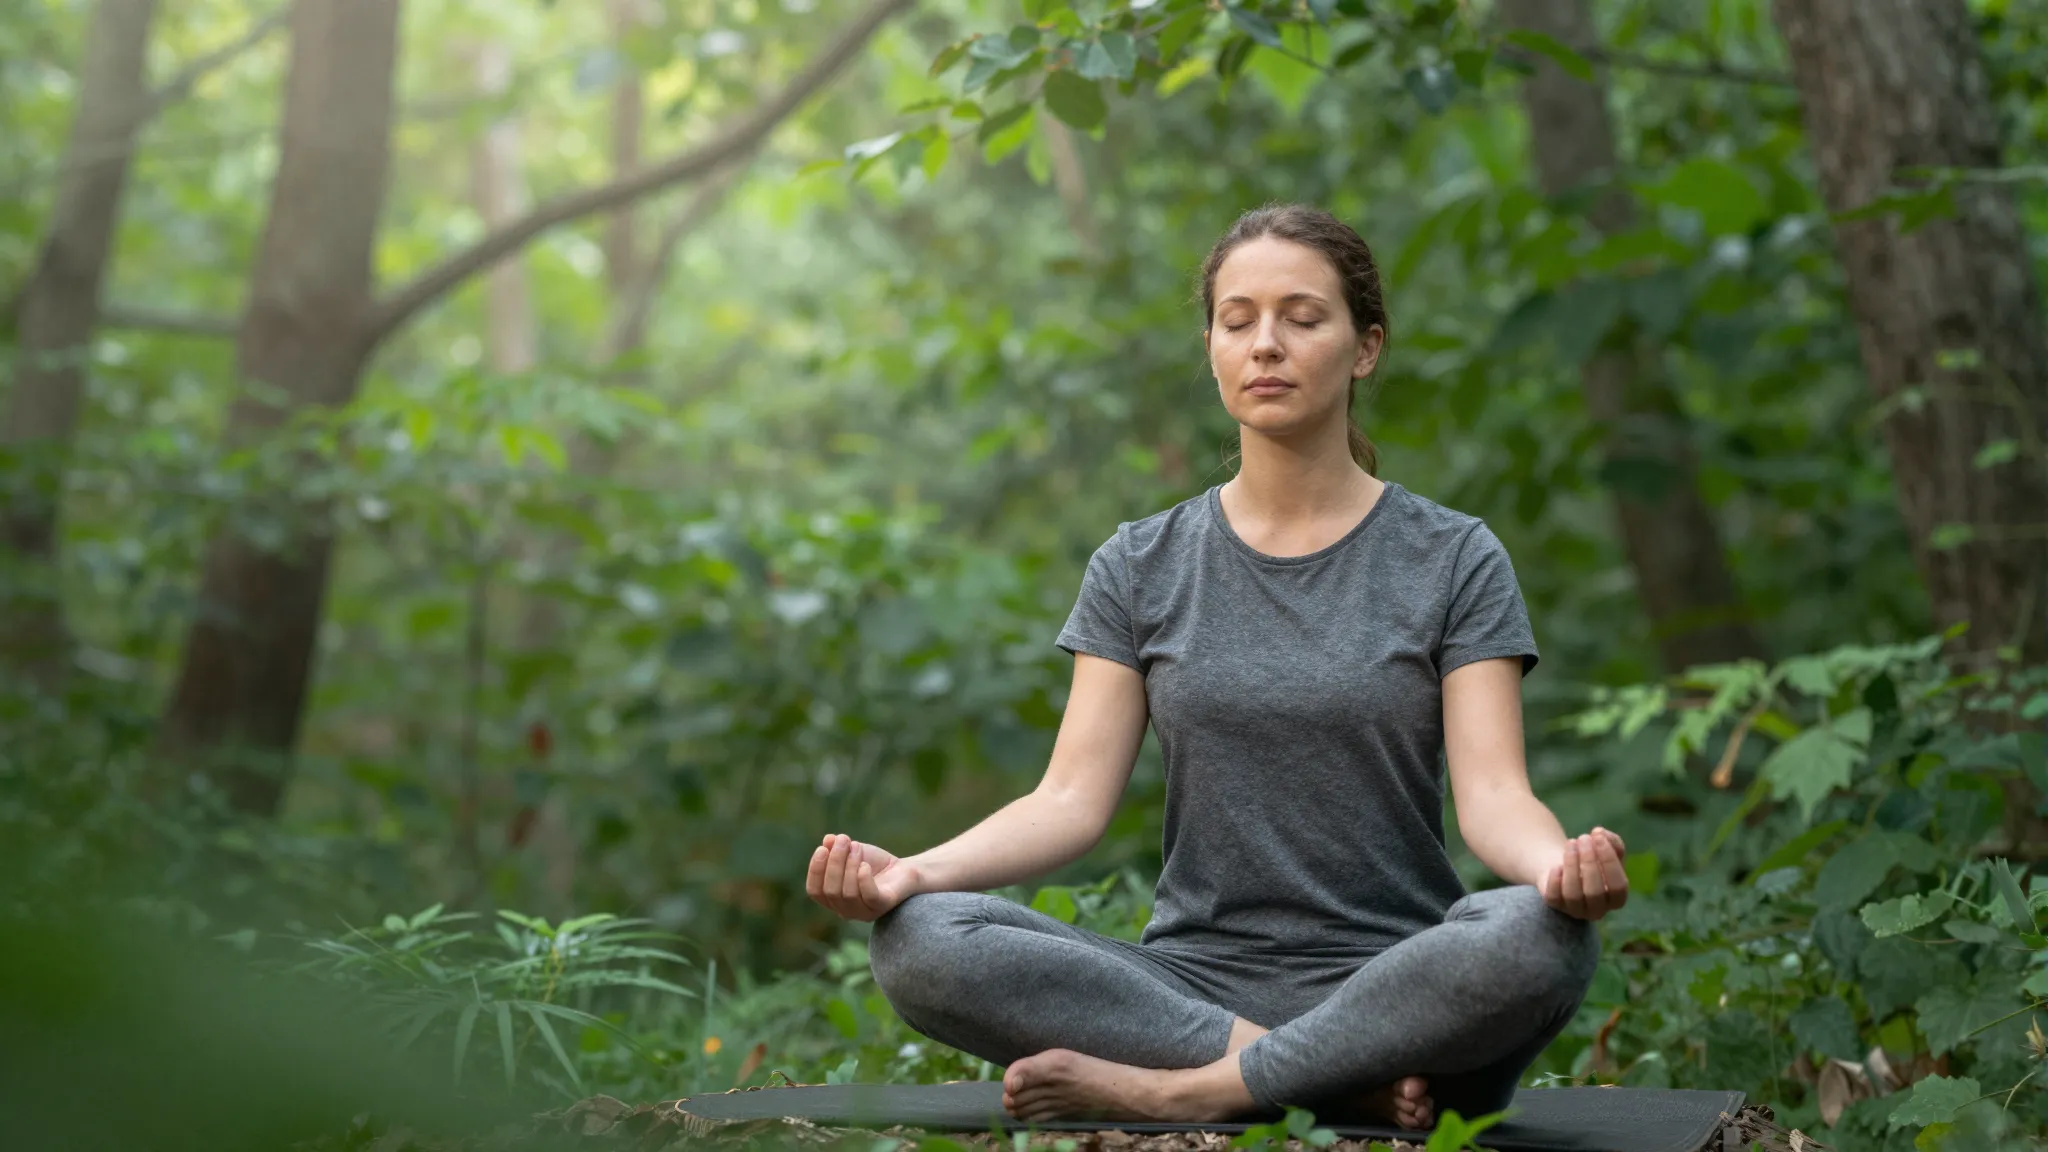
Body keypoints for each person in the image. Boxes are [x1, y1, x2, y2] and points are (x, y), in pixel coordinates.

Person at [802, 203, 1629, 1131]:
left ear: (1365, 348)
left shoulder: (1453, 557)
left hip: (1399, 987)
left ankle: (1186, 1092)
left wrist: (1560, 869)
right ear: (1212, 350)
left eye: (1302, 318)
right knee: (920, 938)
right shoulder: (1139, 563)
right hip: (1187, 991)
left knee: (1538, 936)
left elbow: (1495, 799)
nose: (1266, 344)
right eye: (1238, 322)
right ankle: (1321, 1080)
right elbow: (1067, 800)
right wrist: (911, 873)